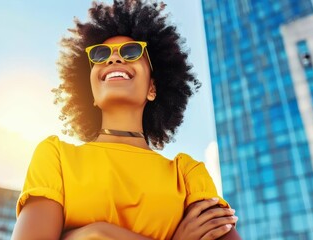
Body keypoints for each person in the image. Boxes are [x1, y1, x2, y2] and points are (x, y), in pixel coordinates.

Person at [12, 0, 241, 239]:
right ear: (90, 92)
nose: (113, 59)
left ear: (152, 88)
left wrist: (92, 234)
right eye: (100, 55)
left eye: (131, 52)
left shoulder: (187, 174)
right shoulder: (56, 157)